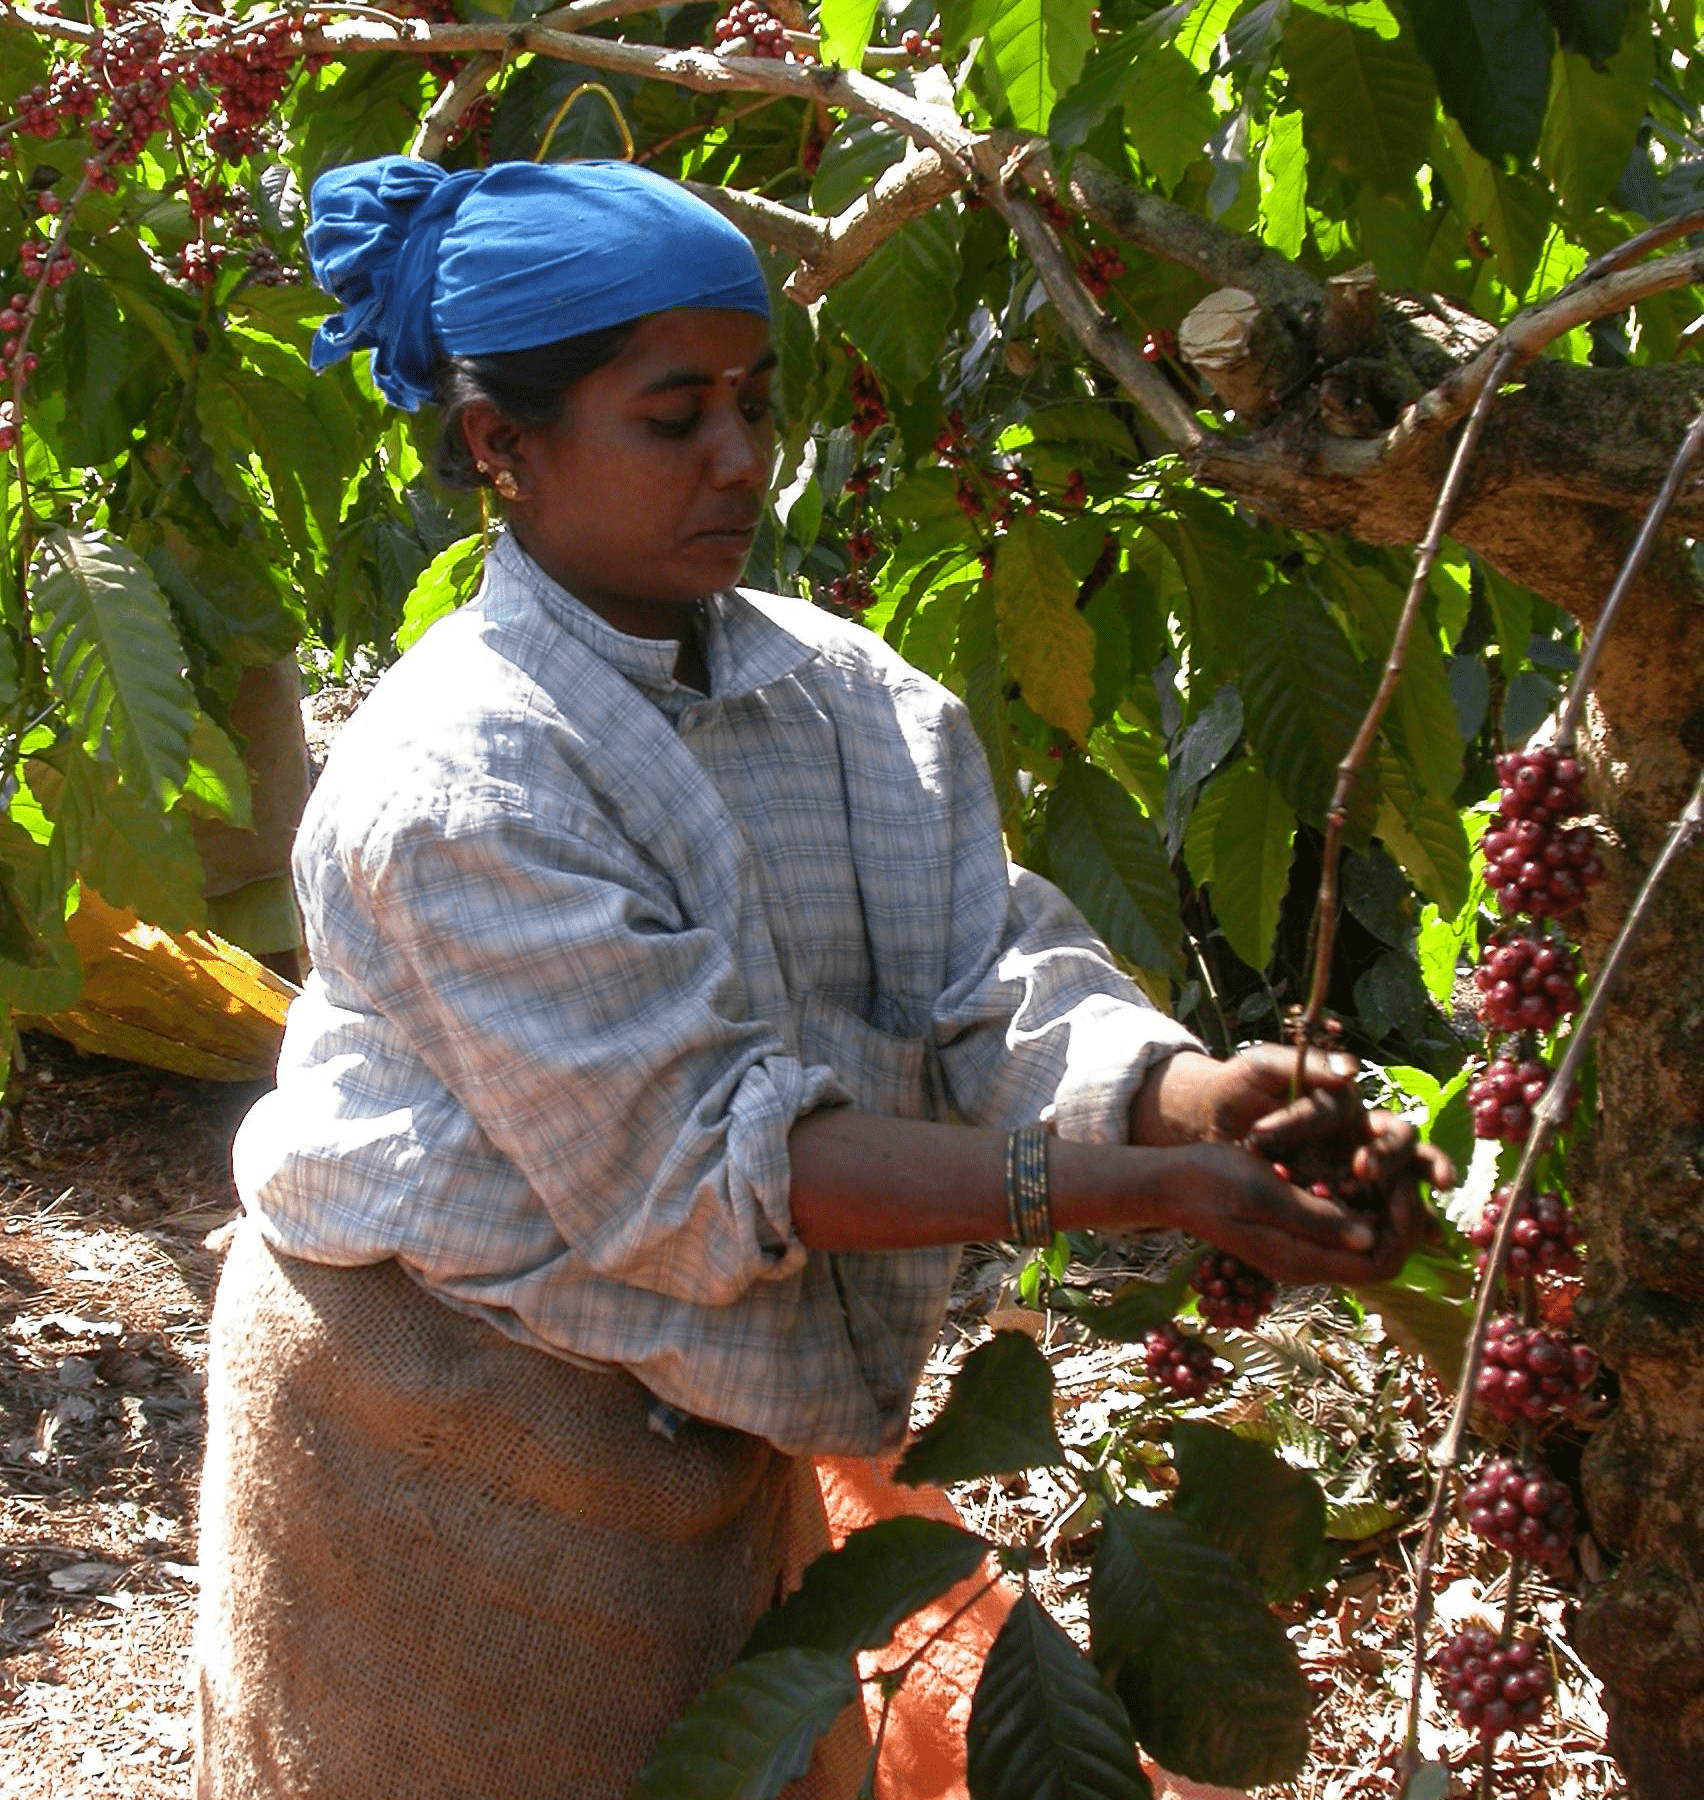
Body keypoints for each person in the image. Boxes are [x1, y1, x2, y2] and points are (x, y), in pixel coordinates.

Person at [194, 156, 1446, 1800]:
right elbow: (721, 1163)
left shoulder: (855, 702)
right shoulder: (458, 783)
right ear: (501, 445)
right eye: (674, 415)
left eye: (756, 403)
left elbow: (991, 981)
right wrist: (1147, 1184)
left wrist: (1200, 1092)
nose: (740, 457)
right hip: (443, 1440)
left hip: (714, 1423)